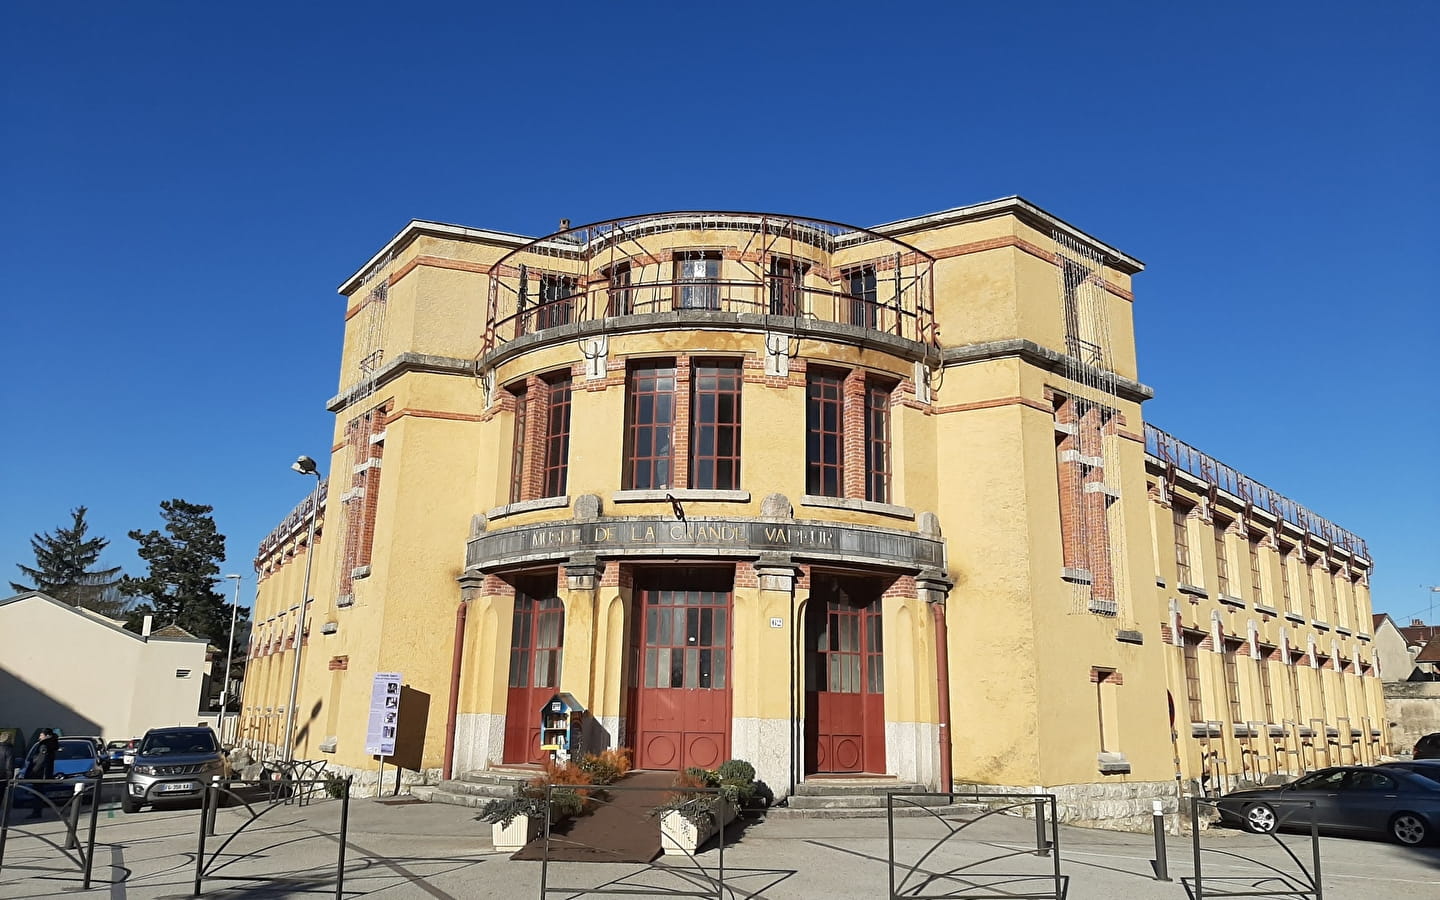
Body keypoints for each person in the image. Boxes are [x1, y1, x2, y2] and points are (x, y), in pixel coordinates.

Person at [27, 728, 59, 819]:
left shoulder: (44, 745)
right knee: (39, 792)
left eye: (41, 735)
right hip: (45, 772)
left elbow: (41, 759)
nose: (39, 737)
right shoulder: (51, 744)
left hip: (40, 773)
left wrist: (34, 770)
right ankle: (37, 811)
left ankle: (36, 812)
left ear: (47, 735)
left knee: (37, 792)